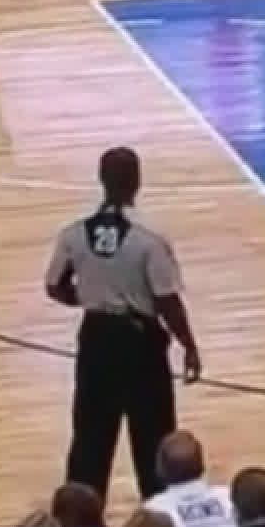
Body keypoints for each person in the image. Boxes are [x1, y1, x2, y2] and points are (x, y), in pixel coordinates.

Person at [46, 147, 203, 502]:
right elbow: (166, 300)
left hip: (96, 338)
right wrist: (188, 345)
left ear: (101, 179)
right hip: (139, 342)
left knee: (90, 438)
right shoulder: (150, 238)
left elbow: (54, 286)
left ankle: (78, 519)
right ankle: (161, 513)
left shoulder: (74, 233)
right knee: (153, 436)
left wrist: (88, 298)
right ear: (137, 181)